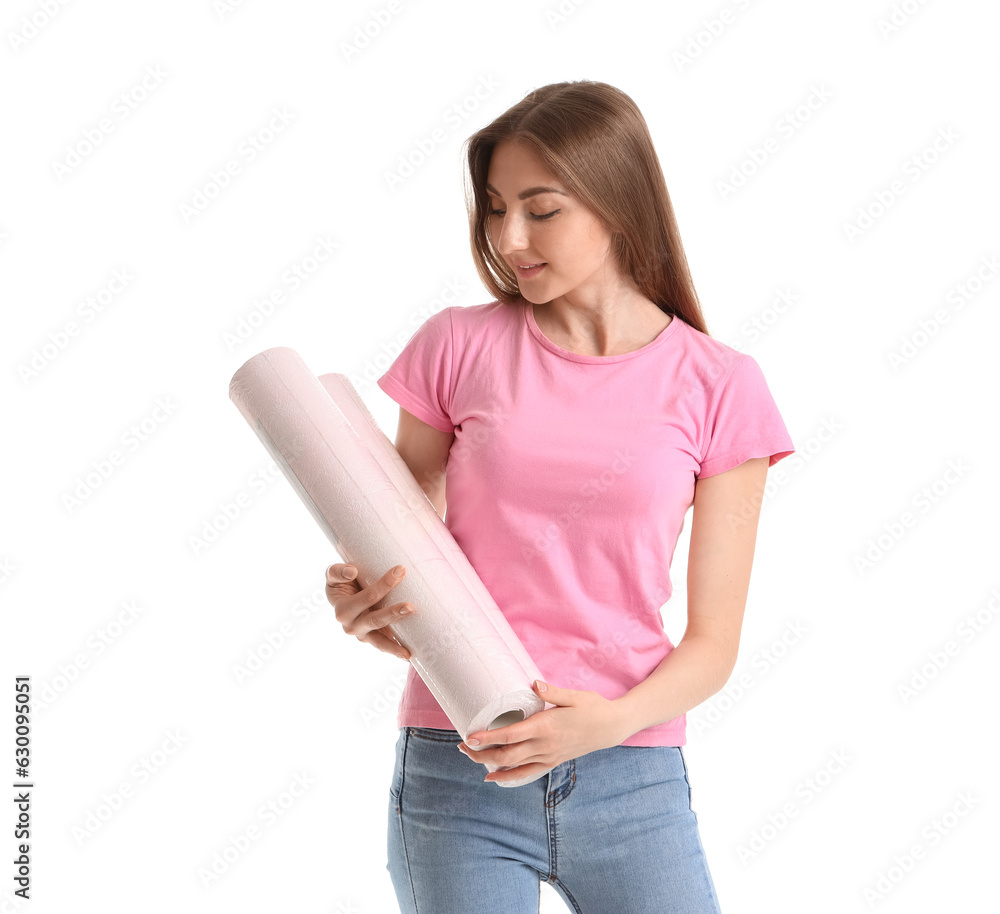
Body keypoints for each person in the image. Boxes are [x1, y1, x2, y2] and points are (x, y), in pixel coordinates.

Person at [325, 80, 794, 914]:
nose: (507, 238)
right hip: (457, 763)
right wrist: (375, 612)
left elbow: (714, 643)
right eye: (496, 208)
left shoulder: (720, 386)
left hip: (634, 781)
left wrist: (604, 724)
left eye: (541, 210)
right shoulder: (455, 347)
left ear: (618, 203)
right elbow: (408, 561)